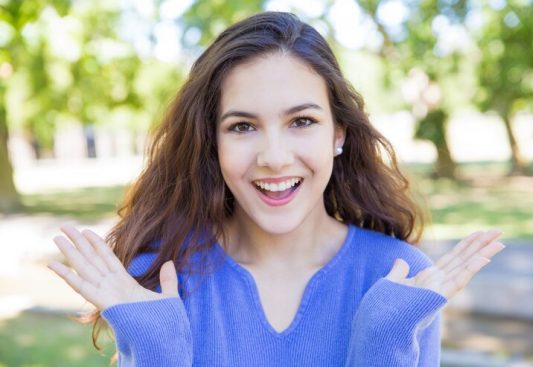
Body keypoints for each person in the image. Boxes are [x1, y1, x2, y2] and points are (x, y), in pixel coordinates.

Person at [47, 11, 505, 367]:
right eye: (243, 126)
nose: (274, 156)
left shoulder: (400, 279)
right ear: (213, 141)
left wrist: (381, 346)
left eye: (301, 121)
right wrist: (158, 352)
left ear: (339, 133)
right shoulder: (159, 279)